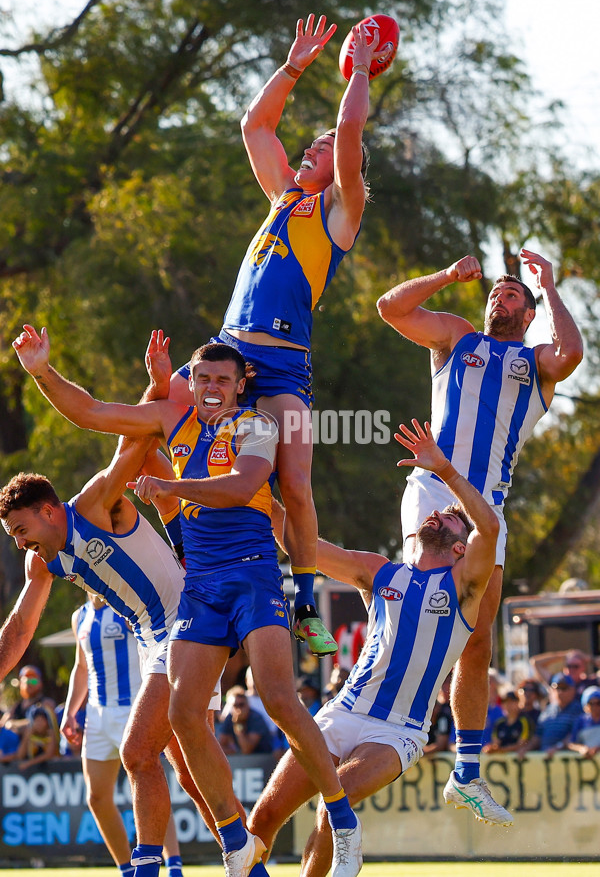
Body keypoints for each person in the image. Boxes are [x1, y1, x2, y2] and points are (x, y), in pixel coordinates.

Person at [12, 324, 362, 877]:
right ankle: (235, 844)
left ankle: (342, 821)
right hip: (200, 586)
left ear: (240, 383)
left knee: (276, 697)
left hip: (251, 575)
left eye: (223, 379)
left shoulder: (257, 424)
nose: (211, 388)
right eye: (201, 379)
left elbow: (238, 487)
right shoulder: (172, 421)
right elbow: (93, 412)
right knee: (179, 719)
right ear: (190, 383)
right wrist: (40, 371)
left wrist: (172, 489)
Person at [169, 13, 380, 658]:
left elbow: (348, 129)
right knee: (161, 411)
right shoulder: (280, 200)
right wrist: (295, 65)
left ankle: (307, 604)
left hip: (283, 365)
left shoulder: (341, 213)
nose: (311, 147)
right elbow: (254, 127)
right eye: (311, 144)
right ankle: (186, 553)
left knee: (293, 483)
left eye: (320, 148)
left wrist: (362, 70)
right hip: (230, 353)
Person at [2, 329, 224, 877]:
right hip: (157, 637)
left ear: (51, 510)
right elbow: (19, 631)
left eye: (21, 529)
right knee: (193, 779)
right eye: (11, 535)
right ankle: (247, 855)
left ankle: (147, 867)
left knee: (136, 754)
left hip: (187, 621)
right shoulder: (41, 563)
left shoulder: (98, 505)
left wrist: (46, 373)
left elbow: (141, 439)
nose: (18, 542)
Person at [376, 248, 583, 823]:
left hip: (486, 507)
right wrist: (444, 276)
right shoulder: (459, 339)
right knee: (427, 602)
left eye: (513, 293)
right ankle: (389, 711)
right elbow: (390, 308)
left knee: (477, 638)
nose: (500, 296)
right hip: (433, 488)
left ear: (530, 311)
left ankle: (466, 771)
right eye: (495, 291)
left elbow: (572, 353)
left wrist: (550, 286)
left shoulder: (536, 363)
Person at [247, 416, 504, 876]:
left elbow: (489, 526)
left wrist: (444, 471)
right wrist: (264, 484)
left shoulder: (465, 586)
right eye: (436, 511)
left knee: (334, 808)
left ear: (461, 548)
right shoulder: (381, 571)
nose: (434, 514)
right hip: (342, 712)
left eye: (446, 517)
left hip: (397, 731)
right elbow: (299, 542)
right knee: (262, 820)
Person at [62, 593, 184, 877]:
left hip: (134, 708)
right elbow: (81, 668)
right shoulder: (79, 616)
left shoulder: (125, 604)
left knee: (148, 787)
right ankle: (127, 870)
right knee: (97, 797)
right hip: (96, 715)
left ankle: (174, 865)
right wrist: (70, 712)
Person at [518, 672, 582, 759]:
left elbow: (575, 734)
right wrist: (527, 748)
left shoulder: (578, 710)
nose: (560, 692)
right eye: (557, 688)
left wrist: (558, 747)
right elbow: (538, 736)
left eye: (564, 688)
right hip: (546, 759)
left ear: (572, 690)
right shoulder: (547, 711)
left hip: (567, 759)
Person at [218, 687, 273, 756]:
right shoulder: (230, 718)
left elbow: (247, 749)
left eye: (241, 705)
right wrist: (233, 751)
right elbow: (220, 746)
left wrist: (238, 724)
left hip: (263, 758)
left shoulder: (256, 718)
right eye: (235, 705)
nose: (238, 709)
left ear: (248, 704)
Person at [530, 648, 598, 696]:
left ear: (583, 668)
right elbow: (536, 663)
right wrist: (565, 655)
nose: (571, 669)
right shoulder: (557, 682)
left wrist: (589, 658)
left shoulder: (592, 682)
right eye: (568, 666)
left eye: (575, 666)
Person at [15, 704, 59, 770]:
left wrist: (29, 763)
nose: (39, 724)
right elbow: (20, 755)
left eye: (42, 720)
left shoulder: (51, 733)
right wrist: (27, 737)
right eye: (37, 721)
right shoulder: (31, 734)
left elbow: (49, 755)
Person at [566, 685, 600, 758]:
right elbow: (571, 744)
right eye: (591, 703)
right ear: (585, 706)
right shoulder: (580, 721)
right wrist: (581, 749)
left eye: (598, 703)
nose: (595, 707)